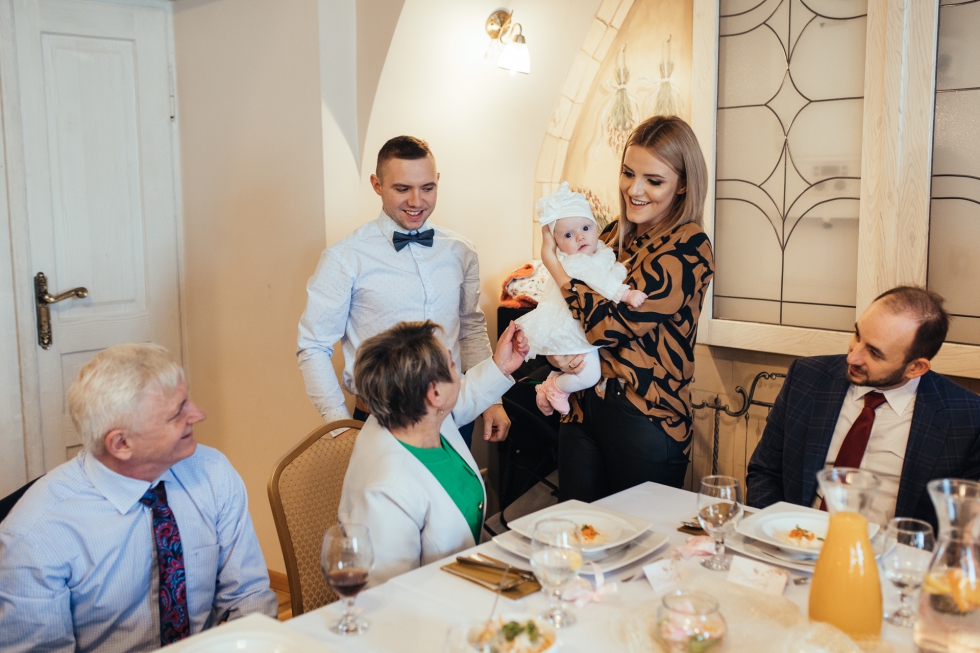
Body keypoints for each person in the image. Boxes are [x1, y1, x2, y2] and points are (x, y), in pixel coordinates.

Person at [0, 344, 277, 652]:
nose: (199, 415)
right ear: (121, 444)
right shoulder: (35, 535)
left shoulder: (212, 472)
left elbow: (248, 596)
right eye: (177, 413)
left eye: (187, 401)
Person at [537, 116, 715, 503]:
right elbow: (565, 315)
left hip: (645, 414)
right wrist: (558, 354)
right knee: (577, 532)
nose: (634, 190)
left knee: (639, 536)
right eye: (628, 173)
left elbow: (606, 328)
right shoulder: (612, 233)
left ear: (683, 184)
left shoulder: (689, 246)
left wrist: (554, 265)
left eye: (654, 180)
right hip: (582, 408)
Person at [297, 135, 509, 447]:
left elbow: (470, 328)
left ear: (437, 181)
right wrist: (339, 426)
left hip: (455, 418)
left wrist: (492, 400)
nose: (416, 201)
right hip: (380, 423)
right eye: (402, 189)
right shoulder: (344, 258)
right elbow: (313, 346)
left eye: (427, 188)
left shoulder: (460, 250)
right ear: (377, 184)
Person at [746, 286, 980, 528]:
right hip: (797, 537)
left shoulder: (966, 418)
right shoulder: (807, 378)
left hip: (891, 549)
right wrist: (769, 532)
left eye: (875, 353)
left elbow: (960, 523)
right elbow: (765, 471)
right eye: (857, 335)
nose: (853, 357)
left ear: (915, 368)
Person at [339, 320, 528, 586]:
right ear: (435, 393)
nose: (458, 372)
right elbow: (386, 595)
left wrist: (501, 366)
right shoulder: (387, 491)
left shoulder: (419, 416)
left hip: (466, 582)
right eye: (453, 366)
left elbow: (462, 398)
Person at [516, 182, 646, 415]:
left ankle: (550, 386)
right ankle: (554, 388)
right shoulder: (577, 261)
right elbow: (601, 282)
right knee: (589, 374)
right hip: (576, 327)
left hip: (582, 327)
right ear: (556, 244)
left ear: (595, 226)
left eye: (586, 228)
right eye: (568, 235)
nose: (580, 237)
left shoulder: (598, 250)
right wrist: (625, 294)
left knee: (577, 368)